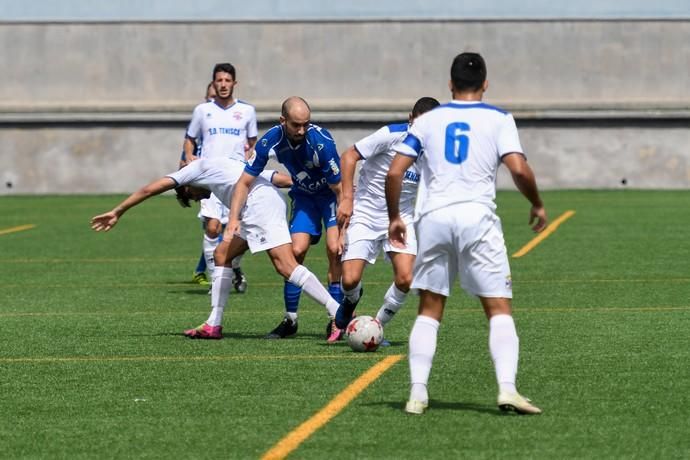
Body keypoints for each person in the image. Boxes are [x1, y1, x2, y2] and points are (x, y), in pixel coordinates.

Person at [385, 52, 548, 415]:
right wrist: (536, 202)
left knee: (430, 309)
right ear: (485, 84)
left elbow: (395, 172)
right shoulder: (499, 119)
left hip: (434, 219)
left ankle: (417, 394)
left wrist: (395, 216)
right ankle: (507, 389)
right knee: (498, 308)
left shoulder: (428, 120)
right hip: (478, 219)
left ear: (450, 84)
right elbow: (519, 169)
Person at [90, 156, 342, 340]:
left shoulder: (193, 170)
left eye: (190, 196)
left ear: (186, 183)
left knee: (286, 266)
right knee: (222, 254)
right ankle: (214, 323)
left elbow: (149, 189)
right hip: (260, 202)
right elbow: (270, 176)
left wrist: (118, 211)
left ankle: (337, 312)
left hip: (258, 206)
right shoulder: (224, 163)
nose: (198, 199)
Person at [231, 96, 344, 341]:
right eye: (296, 125)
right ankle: (290, 320)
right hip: (304, 197)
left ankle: (337, 319)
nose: (302, 130)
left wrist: (343, 229)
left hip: (330, 198)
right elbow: (244, 182)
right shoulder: (269, 141)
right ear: (283, 121)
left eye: (306, 124)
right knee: (296, 252)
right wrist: (233, 218)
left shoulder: (322, 144)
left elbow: (340, 190)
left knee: (335, 249)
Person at [333, 97, 440, 342]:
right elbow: (349, 156)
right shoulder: (391, 134)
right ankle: (351, 299)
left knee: (406, 278)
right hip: (366, 215)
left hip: (401, 219)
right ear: (411, 119)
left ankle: (376, 327)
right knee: (349, 280)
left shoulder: (437, 150)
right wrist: (347, 199)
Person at [183, 63, 257, 294]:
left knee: (237, 232)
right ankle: (216, 281)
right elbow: (189, 139)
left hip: (236, 179)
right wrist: (189, 158)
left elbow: (253, 142)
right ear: (213, 84)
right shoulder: (202, 110)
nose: (223, 85)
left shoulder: (247, 111)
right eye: (219, 81)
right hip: (209, 180)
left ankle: (234, 265)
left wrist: (249, 158)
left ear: (234, 83)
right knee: (213, 228)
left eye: (227, 81)